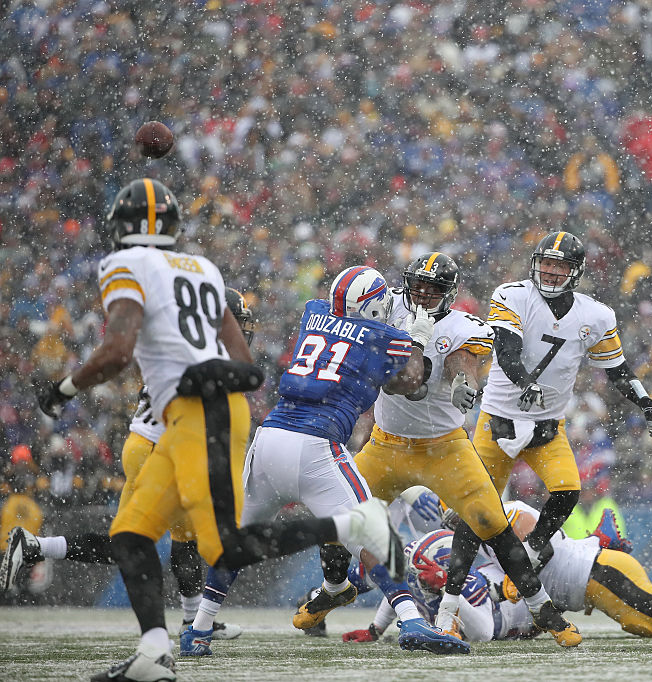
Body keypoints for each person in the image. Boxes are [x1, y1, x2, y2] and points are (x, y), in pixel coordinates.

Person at [31, 178, 403, 682]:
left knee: (215, 545)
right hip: (207, 415)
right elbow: (248, 368)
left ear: (122, 226)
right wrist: (197, 370)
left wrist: (64, 390)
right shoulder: (201, 270)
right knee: (135, 535)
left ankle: (346, 528)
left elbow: (117, 352)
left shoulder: (126, 264)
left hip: (193, 419)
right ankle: (155, 653)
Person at [300, 251, 583, 649]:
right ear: (406, 283)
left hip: (444, 447)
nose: (424, 293)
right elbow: (396, 370)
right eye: (418, 285)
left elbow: (460, 359)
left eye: (434, 289)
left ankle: (541, 606)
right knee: (336, 512)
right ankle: (334, 587)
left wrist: (461, 382)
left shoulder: (464, 325)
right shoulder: (387, 305)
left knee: (492, 522)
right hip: (386, 444)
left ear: (450, 293)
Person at [179, 265, 465, 656]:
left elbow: (347, 338)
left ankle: (197, 629)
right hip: (316, 446)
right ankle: (412, 622)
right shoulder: (381, 335)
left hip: (269, 440)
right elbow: (411, 381)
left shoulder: (314, 312)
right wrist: (416, 337)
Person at [441, 231, 652, 637]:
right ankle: (448, 606)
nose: (550, 271)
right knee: (475, 516)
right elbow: (505, 349)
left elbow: (617, 370)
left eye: (560, 266)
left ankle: (527, 554)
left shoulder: (595, 315)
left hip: (547, 427)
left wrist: (646, 403)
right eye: (546, 263)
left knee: (567, 492)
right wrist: (524, 381)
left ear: (575, 272)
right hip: (498, 421)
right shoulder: (512, 295)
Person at [3, 289, 256, 646]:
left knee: (183, 538)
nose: (241, 330)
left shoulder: (183, 342)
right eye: (236, 321)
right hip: (157, 448)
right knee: (130, 545)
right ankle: (36, 548)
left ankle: (193, 621)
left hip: (153, 445)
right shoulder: (199, 354)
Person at [343, 503, 652, 642]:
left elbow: (539, 537)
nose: (457, 525)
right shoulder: (462, 545)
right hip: (594, 578)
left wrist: (519, 577)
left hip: (598, 578)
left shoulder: (501, 512)